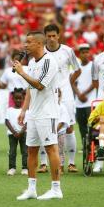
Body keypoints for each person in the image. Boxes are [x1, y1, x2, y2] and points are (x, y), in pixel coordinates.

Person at [13, 31, 62, 200]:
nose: (25, 45)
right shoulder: (33, 62)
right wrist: (24, 110)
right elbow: (30, 88)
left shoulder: (49, 61)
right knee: (31, 150)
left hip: (47, 113)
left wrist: (21, 72)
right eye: (25, 42)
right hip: (34, 113)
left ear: (39, 44)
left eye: (29, 42)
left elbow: (40, 85)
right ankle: (31, 189)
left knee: (51, 148)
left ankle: (56, 189)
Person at [42, 24, 81, 173]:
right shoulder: (41, 52)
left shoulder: (67, 51)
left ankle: (71, 163)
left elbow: (77, 70)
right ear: (45, 36)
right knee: (45, 126)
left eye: (54, 36)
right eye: (49, 36)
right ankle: (44, 163)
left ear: (59, 36)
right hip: (46, 94)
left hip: (66, 95)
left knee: (69, 127)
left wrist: (68, 83)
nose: (51, 39)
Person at [73, 43, 97, 149]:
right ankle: (85, 146)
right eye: (83, 52)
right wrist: (78, 94)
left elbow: (95, 82)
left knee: (92, 125)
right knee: (82, 126)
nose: (85, 54)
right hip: (79, 102)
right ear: (79, 54)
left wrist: (84, 94)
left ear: (89, 53)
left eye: (87, 52)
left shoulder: (93, 65)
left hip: (90, 101)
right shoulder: (76, 67)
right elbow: (72, 81)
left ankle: (94, 145)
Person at [5, 88, 28, 176]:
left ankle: (25, 168)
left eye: (20, 98)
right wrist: (14, 132)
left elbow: (27, 123)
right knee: (12, 151)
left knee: (25, 151)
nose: (18, 100)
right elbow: (7, 122)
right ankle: (12, 168)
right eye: (16, 98)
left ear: (23, 99)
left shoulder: (25, 111)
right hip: (12, 134)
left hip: (23, 133)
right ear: (13, 99)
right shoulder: (9, 110)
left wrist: (21, 132)